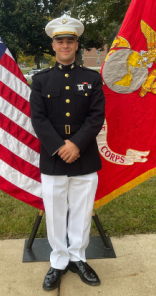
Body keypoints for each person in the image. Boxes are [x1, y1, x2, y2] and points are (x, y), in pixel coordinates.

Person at [29, 16, 105, 289]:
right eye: (60, 41)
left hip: (84, 156)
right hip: (53, 158)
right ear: (53, 46)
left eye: (70, 40)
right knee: (55, 212)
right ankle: (58, 260)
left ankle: (78, 257)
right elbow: (38, 119)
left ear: (77, 45)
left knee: (83, 212)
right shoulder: (41, 80)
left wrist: (76, 144)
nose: (65, 45)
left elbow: (96, 117)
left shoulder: (91, 79)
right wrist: (61, 147)